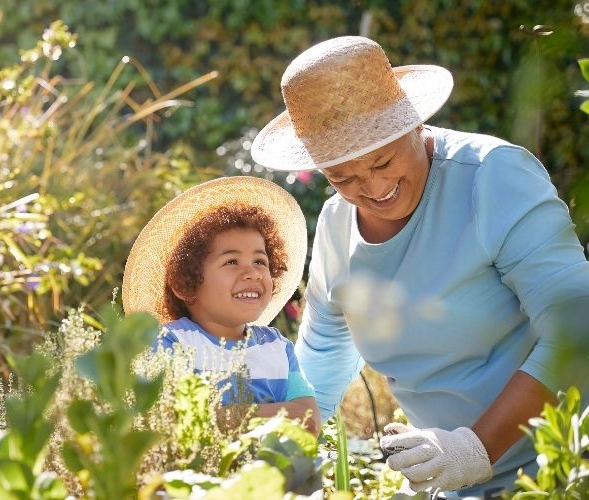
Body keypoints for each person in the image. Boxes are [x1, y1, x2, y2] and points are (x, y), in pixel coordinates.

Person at [249, 35, 589, 497]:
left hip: (563, 470)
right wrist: (277, 457)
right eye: (342, 177)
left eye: (383, 160)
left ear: (412, 122)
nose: (372, 187)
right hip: (450, 484)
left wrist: (475, 450)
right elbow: (325, 355)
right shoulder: (335, 224)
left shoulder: (492, 178)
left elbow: (576, 328)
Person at [122, 176, 321, 435]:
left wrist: (226, 416)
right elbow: (176, 421)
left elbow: (309, 420)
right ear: (185, 284)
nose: (252, 273)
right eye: (231, 262)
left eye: (260, 262)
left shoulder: (277, 347)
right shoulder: (170, 343)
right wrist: (280, 414)